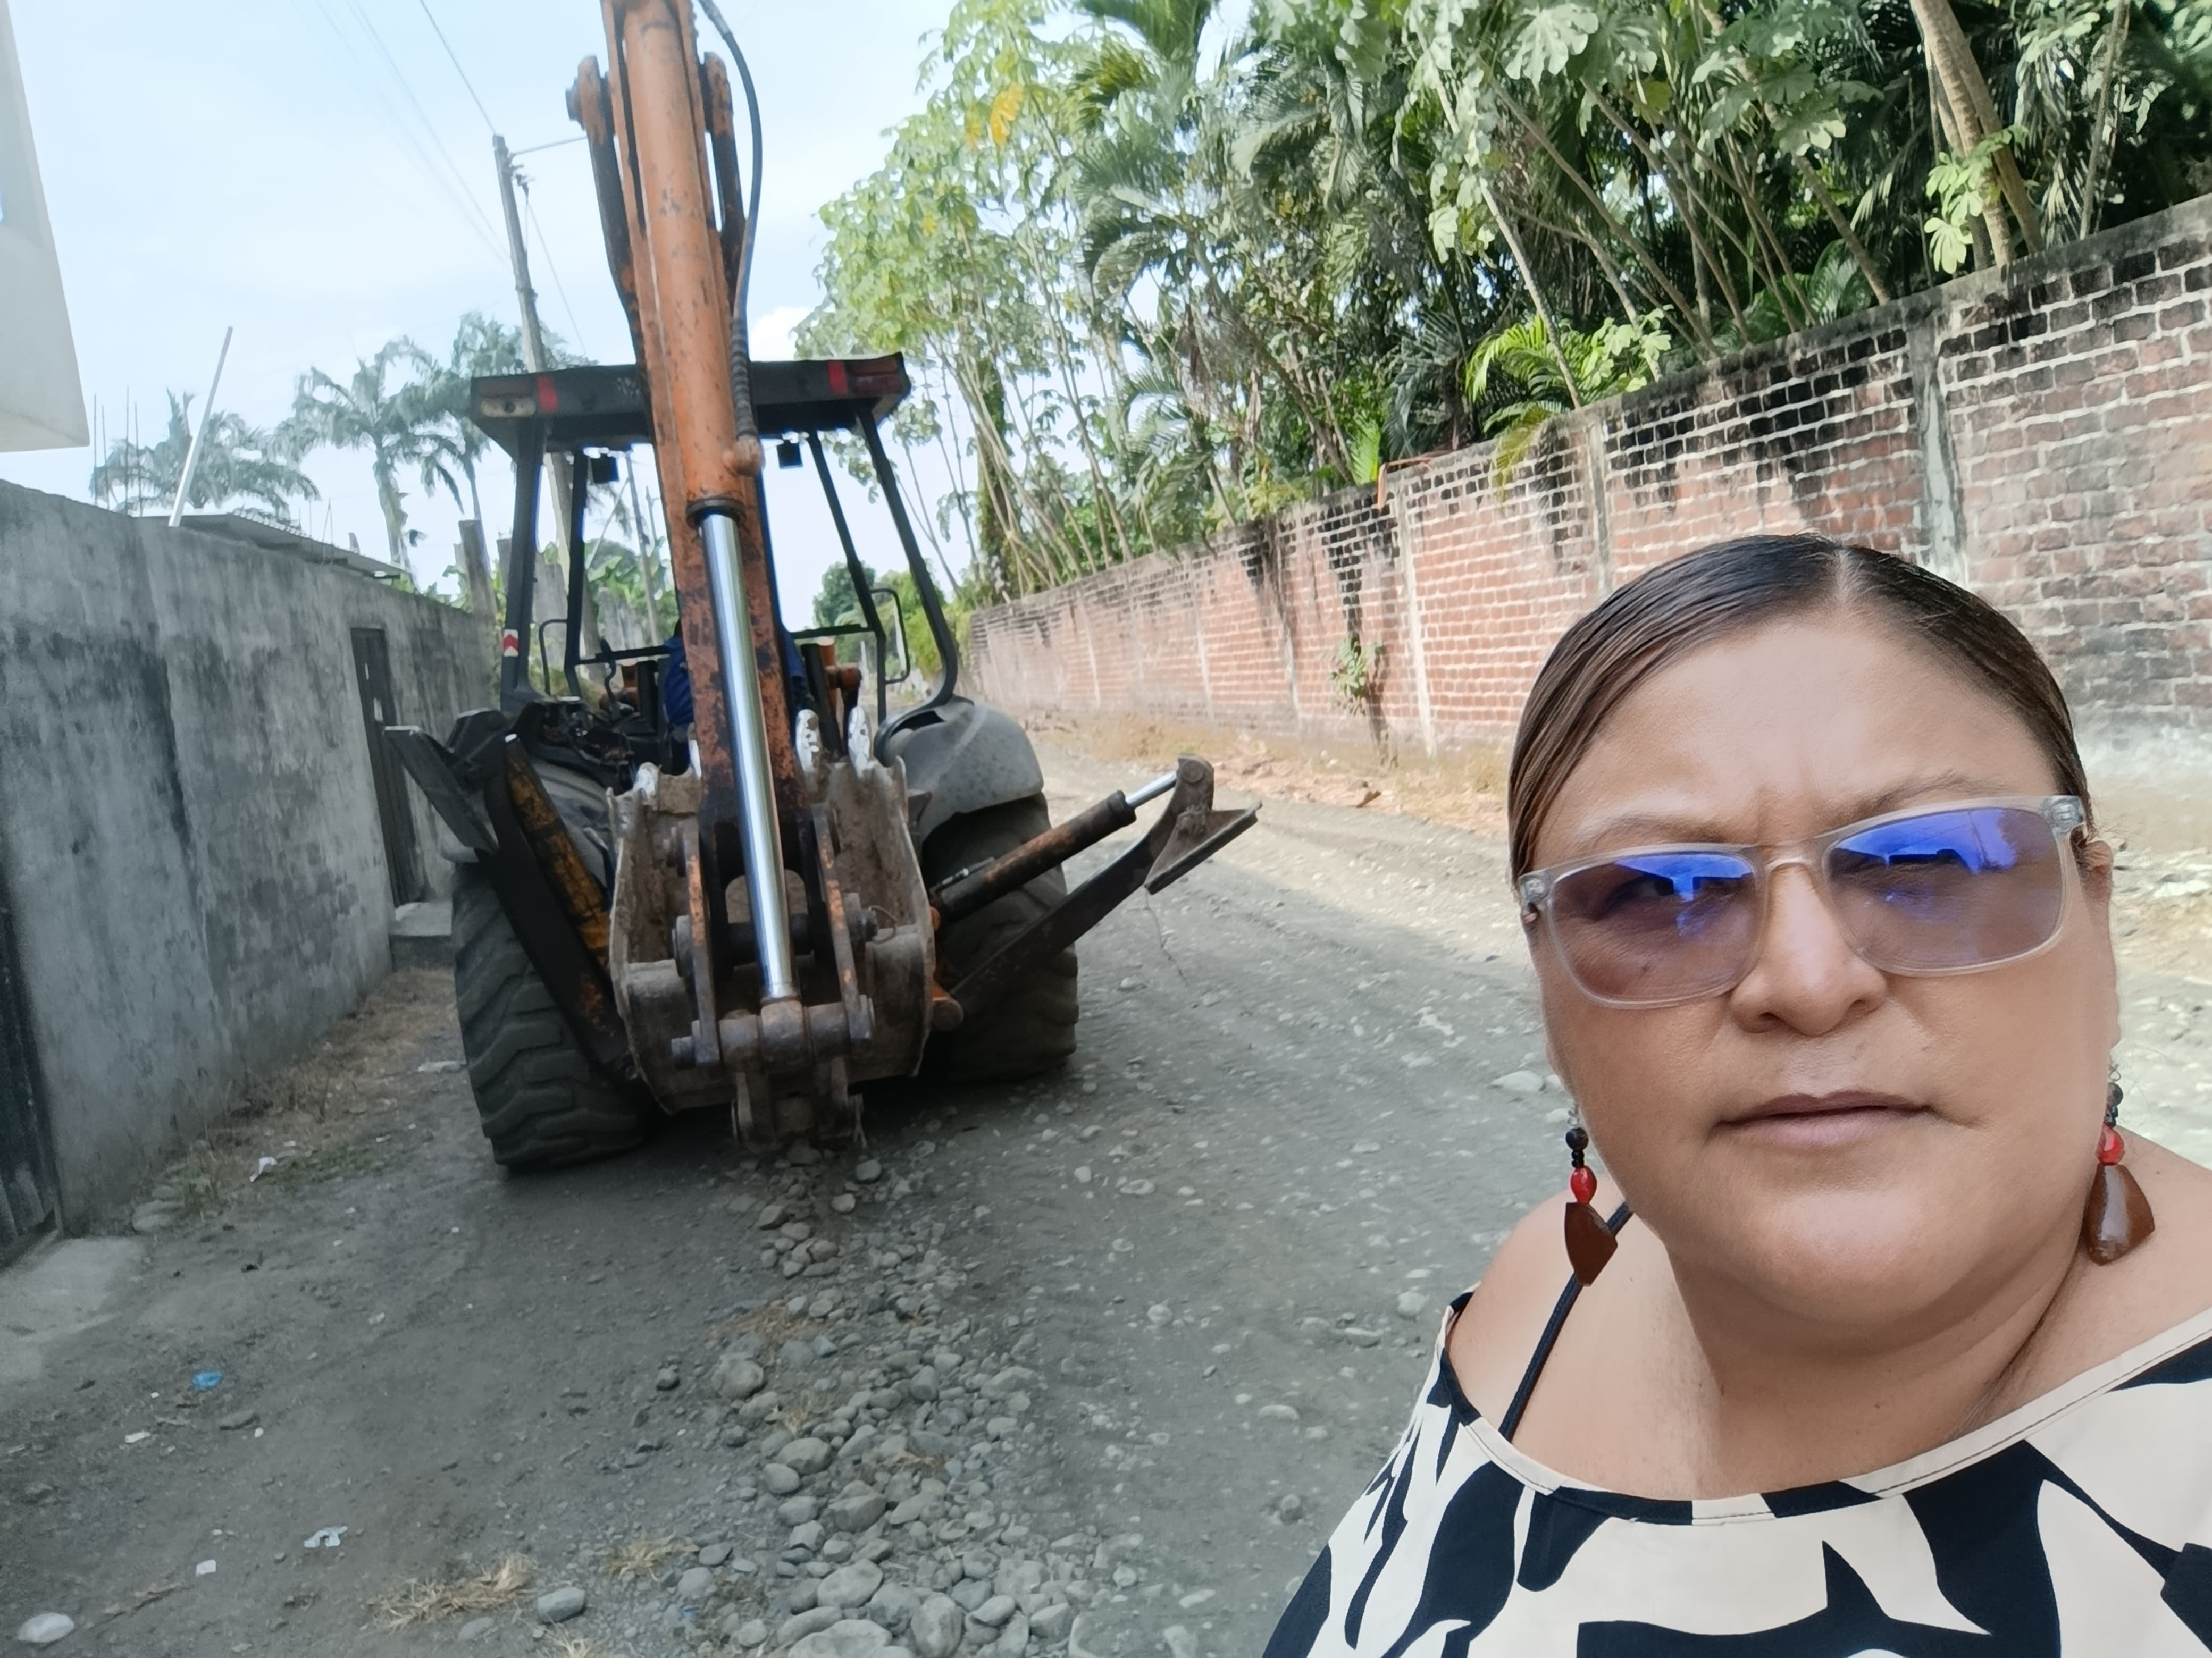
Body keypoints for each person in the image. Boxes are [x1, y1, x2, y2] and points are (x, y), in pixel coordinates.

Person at [1267, 534, 2212, 1654]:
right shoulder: (1543, 1291)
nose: (1807, 983)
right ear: (1546, 986)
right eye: (1663, 893)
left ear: (2095, 917)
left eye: (1929, 861)